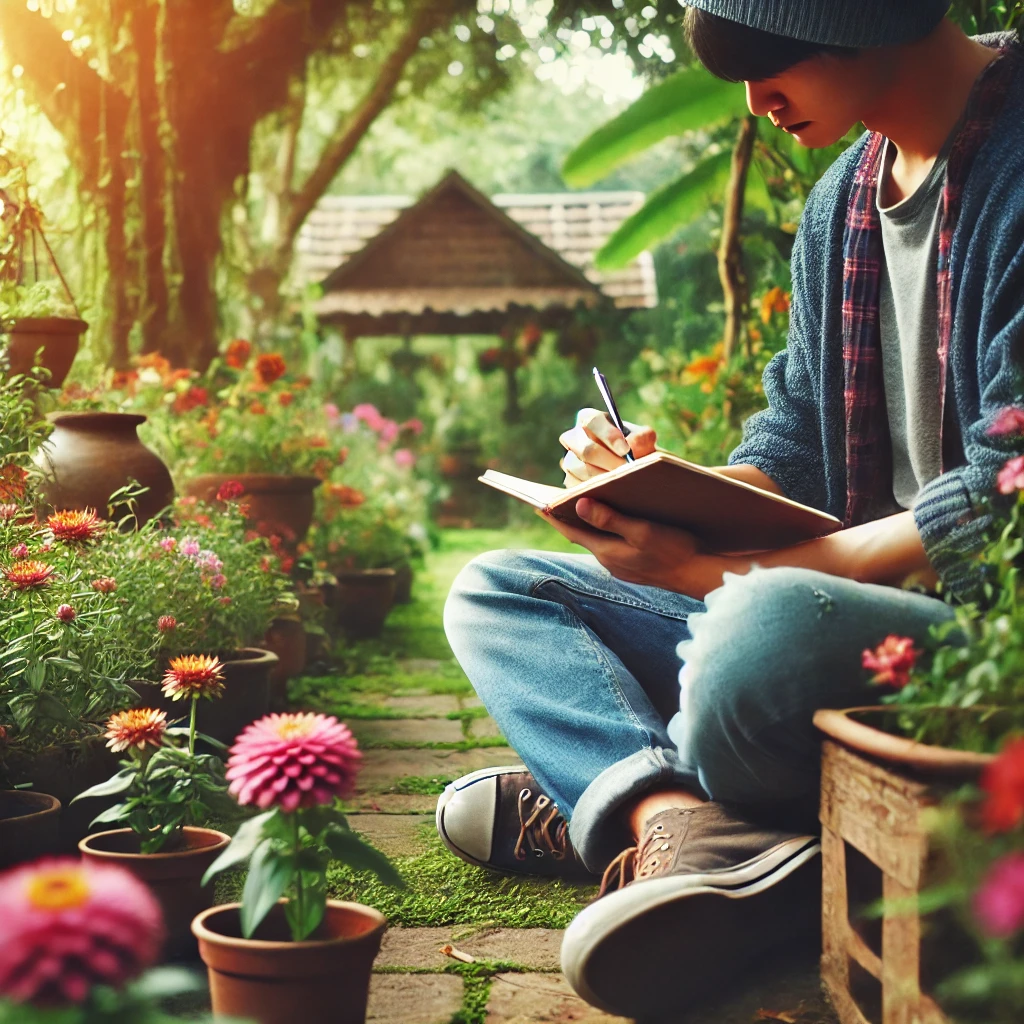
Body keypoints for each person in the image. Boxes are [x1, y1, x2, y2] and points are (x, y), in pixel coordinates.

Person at [437, 2, 1024, 1017]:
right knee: (496, 588)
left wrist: (720, 579)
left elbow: (997, 493)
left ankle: (619, 800)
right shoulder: (843, 200)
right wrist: (659, 493)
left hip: (970, 626)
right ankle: (678, 820)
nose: (754, 102)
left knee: (753, 637)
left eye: (767, 61)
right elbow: (790, 446)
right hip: (825, 602)